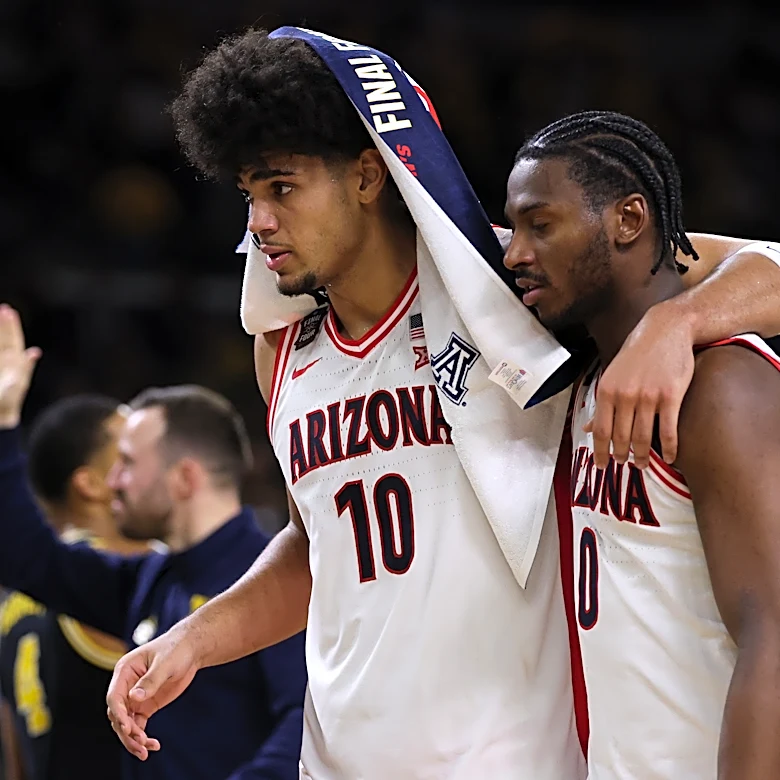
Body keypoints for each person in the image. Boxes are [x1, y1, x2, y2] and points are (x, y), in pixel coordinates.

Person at [101, 29, 780, 779]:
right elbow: (316, 545)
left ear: (367, 175)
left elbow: (768, 267)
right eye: (250, 195)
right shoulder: (282, 353)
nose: (258, 223)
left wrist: (676, 321)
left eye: (282, 188)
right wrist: (193, 639)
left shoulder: (510, 283)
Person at [504, 110, 780, 778]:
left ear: (629, 221)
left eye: (540, 225)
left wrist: (677, 320)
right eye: (513, 227)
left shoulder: (721, 381)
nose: (514, 252)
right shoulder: (586, 377)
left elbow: (774, 632)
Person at [0, 345, 306, 780]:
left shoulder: (273, 581)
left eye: (126, 463)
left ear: (184, 478)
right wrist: (3, 421)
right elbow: (28, 559)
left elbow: (304, 719)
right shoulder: (154, 576)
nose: (112, 482)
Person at [0, 394, 152, 780]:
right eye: (131, 451)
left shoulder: (11, 607)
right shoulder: (117, 583)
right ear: (91, 484)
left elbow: (15, 753)